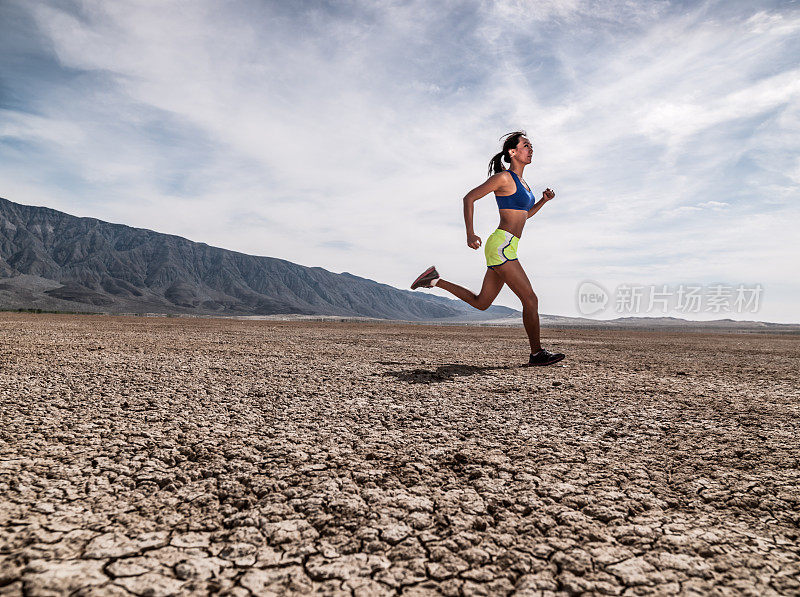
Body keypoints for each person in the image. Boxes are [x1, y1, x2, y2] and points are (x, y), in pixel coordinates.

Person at [411, 131, 565, 366]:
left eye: (531, 145)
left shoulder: (524, 184)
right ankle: (536, 354)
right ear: (512, 152)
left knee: (482, 303)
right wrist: (470, 233)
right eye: (526, 145)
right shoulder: (504, 178)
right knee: (530, 299)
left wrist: (542, 200)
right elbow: (469, 198)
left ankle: (434, 280)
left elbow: (524, 215)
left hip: (507, 247)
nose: (530, 149)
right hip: (501, 246)